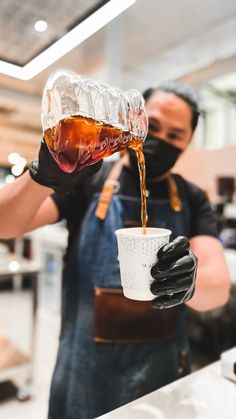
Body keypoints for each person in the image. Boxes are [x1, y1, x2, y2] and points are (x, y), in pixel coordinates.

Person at [0, 81, 230, 419]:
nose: (161, 140)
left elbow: (219, 288)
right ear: (135, 123)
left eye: (175, 135)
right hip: (84, 373)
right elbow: (6, 225)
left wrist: (191, 281)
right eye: (154, 126)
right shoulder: (88, 178)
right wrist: (43, 176)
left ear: (188, 142)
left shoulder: (193, 198)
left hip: (161, 374)